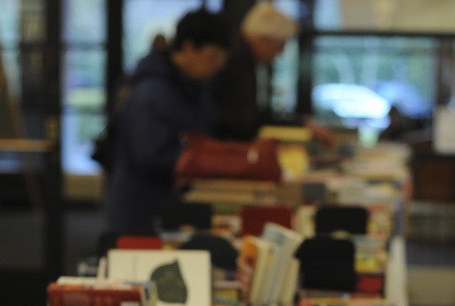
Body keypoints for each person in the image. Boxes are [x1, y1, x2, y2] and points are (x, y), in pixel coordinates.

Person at [105, 8, 230, 237]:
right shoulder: (151, 92)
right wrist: (198, 160)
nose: (218, 65)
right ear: (189, 48)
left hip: (172, 209)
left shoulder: (194, 88)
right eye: (214, 56)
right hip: (140, 214)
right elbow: (150, 155)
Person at [212, 1, 333, 145]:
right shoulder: (233, 62)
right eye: (281, 44)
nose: (280, 53)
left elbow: (254, 116)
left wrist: (300, 123)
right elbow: (242, 121)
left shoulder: (245, 61)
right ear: (265, 39)